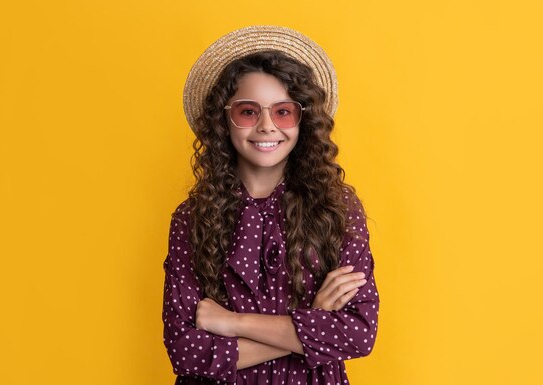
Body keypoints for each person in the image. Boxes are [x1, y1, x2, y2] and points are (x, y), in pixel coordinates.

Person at [162, 25, 380, 385]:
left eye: (283, 112)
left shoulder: (337, 209)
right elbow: (186, 352)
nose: (266, 126)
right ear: (224, 120)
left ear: (303, 119)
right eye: (248, 112)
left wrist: (233, 323)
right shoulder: (192, 217)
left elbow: (358, 333)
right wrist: (313, 320)